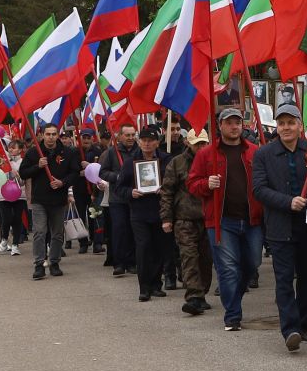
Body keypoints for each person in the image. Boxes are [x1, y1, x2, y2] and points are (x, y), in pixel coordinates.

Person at [252, 103, 307, 352]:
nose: (286, 127)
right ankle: (290, 329)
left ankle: (303, 325)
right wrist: (287, 202)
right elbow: (259, 189)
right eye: (281, 123)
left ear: (300, 126)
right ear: (276, 127)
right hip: (280, 227)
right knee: (283, 280)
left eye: (291, 122)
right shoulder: (264, 154)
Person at [191, 106, 262, 331]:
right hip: (221, 221)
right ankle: (233, 315)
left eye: (238, 122)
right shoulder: (206, 153)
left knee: (252, 264)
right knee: (228, 269)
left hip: (252, 220)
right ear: (220, 126)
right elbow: (192, 184)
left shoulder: (254, 151)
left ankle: (234, 297)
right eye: (229, 122)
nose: (234, 126)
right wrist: (206, 184)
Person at [111, 126, 167, 301]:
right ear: (139, 142)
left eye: (151, 140)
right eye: (144, 140)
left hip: (160, 210)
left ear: (157, 142)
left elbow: (174, 183)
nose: (147, 144)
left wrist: (165, 188)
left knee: (158, 248)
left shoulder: (166, 160)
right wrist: (131, 193)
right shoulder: (129, 163)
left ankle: (157, 284)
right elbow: (119, 188)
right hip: (139, 212)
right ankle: (144, 287)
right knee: (143, 248)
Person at [18, 123, 81, 279]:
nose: (51, 137)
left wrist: (63, 182)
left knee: (57, 233)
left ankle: (54, 262)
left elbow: (75, 172)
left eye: (54, 134)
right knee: (39, 232)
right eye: (48, 134)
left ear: (57, 135)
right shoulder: (34, 152)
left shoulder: (68, 152)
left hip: (59, 199)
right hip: (39, 199)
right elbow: (23, 173)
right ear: (42, 135)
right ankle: (39, 264)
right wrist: (37, 166)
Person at [163, 127, 213, 315]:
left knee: (206, 259)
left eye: (203, 143)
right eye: (196, 144)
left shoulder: (213, 160)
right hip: (184, 219)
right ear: (188, 143)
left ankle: (202, 291)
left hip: (208, 218)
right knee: (189, 257)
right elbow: (167, 192)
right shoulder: (177, 163)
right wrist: (166, 218)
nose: (200, 147)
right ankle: (194, 296)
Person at [100, 123, 142, 277]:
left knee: (133, 231)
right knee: (119, 230)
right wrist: (117, 177)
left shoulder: (140, 151)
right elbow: (103, 172)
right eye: (127, 135)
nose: (131, 138)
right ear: (120, 136)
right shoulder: (112, 152)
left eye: (133, 135)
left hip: (135, 197)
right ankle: (119, 263)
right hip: (117, 199)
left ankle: (132, 262)